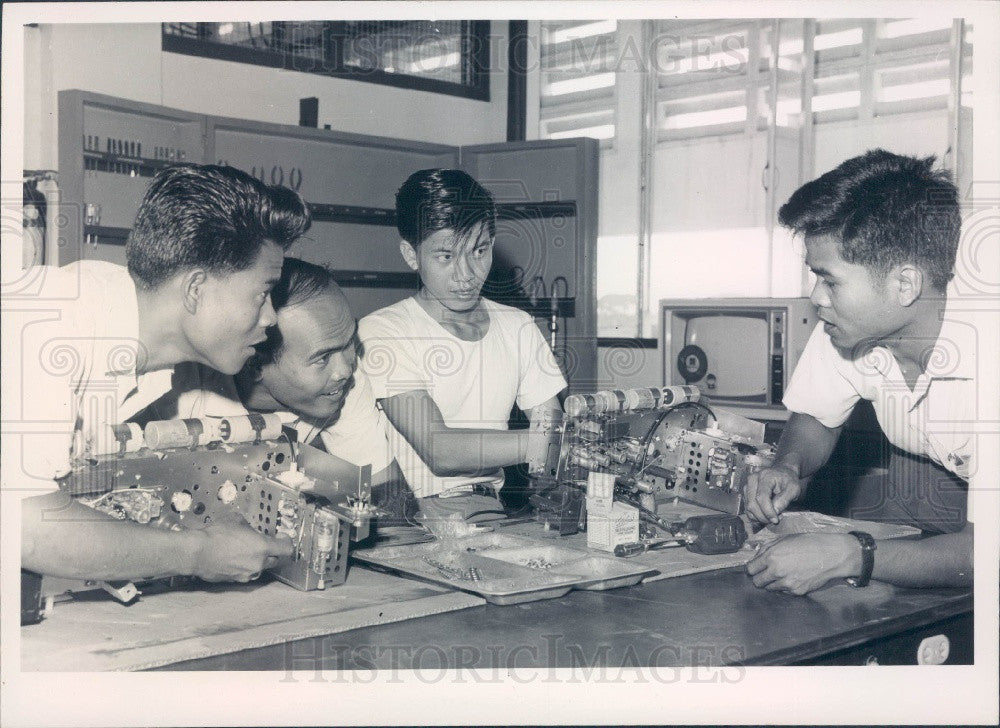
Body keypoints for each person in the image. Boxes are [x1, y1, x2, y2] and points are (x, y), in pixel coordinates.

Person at [9, 163, 308, 583]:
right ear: (195, 289)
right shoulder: (46, 326)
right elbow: (23, 524)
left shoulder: (145, 347)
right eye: (262, 293)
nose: (271, 317)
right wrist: (196, 554)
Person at [743, 150, 974, 595]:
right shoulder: (851, 327)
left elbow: (989, 555)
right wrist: (788, 465)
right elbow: (815, 416)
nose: (816, 296)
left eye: (829, 280)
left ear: (904, 285)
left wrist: (851, 554)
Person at [358, 169, 567, 524]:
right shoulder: (384, 330)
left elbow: (553, 427)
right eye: (446, 256)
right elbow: (441, 450)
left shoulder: (518, 326)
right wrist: (559, 442)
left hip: (488, 509)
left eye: (479, 250)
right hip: (411, 517)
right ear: (411, 254)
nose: (466, 273)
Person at [153, 257, 414, 522]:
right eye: (322, 358)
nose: (345, 369)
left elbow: (389, 501)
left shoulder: (340, 382)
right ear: (253, 365)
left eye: (349, 343)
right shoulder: (176, 398)